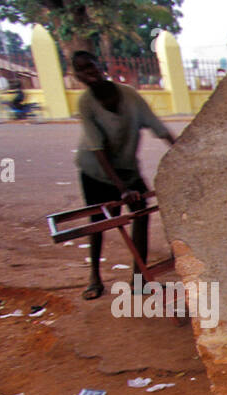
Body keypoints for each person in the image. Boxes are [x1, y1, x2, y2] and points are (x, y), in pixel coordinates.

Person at [70, 51, 176, 301]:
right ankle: (94, 277)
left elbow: (159, 128)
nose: (90, 73)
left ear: (100, 66)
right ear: (78, 76)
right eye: (83, 70)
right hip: (96, 170)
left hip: (127, 168)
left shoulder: (129, 95)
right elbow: (98, 149)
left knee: (140, 215)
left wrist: (185, 155)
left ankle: (138, 280)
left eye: (92, 66)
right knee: (100, 222)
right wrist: (122, 189)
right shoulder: (86, 103)